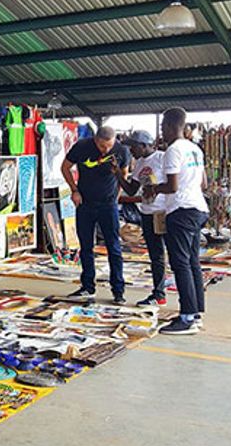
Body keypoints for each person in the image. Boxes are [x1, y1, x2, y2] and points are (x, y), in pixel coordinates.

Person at [147, 107, 209, 335]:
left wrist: (154, 188)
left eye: (163, 126)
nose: (162, 131)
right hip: (198, 208)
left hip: (181, 211)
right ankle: (195, 313)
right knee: (192, 262)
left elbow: (172, 187)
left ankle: (186, 317)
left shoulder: (173, 150)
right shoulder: (195, 149)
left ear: (172, 126)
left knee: (180, 263)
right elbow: (203, 184)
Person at [61, 126, 130, 304]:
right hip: (85, 203)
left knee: (113, 247)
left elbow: (124, 174)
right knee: (85, 246)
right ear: (95, 140)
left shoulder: (122, 150)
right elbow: (65, 167)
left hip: (108, 204)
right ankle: (87, 286)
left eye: (108, 146)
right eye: (101, 146)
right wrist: (74, 190)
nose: (105, 150)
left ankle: (118, 290)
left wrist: (116, 195)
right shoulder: (82, 146)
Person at [113, 130, 168, 307]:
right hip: (147, 212)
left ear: (144, 145)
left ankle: (181, 296)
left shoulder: (162, 158)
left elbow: (175, 182)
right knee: (156, 255)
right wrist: (118, 174)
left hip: (162, 212)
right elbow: (131, 189)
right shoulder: (140, 163)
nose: (131, 151)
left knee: (172, 255)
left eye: (133, 146)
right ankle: (159, 293)